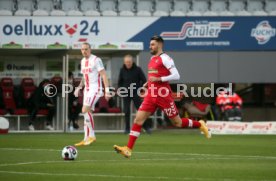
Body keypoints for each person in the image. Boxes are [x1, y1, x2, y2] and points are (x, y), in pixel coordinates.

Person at [114, 35, 211, 158]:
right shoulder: (152, 59)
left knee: (178, 123)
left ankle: (200, 124)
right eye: (150, 44)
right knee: (138, 120)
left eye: (153, 44)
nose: (150, 46)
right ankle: (128, 149)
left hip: (163, 96)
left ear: (160, 44)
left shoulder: (165, 58)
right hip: (151, 95)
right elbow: (152, 77)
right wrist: (146, 84)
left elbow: (176, 75)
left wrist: (160, 78)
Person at [74, 42, 110, 146]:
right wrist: (79, 87)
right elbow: (84, 77)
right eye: (82, 49)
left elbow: (103, 75)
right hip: (87, 90)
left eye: (86, 49)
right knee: (86, 113)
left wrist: (107, 90)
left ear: (90, 50)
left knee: (85, 109)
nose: (84, 51)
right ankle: (86, 138)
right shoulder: (82, 61)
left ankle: (92, 136)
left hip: (96, 88)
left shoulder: (96, 60)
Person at [118, 54, 150, 134]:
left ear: (132, 62)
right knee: (126, 111)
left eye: (129, 62)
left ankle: (146, 127)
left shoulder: (138, 69)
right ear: (124, 62)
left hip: (136, 93)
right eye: (126, 62)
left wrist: (140, 89)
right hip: (126, 93)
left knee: (140, 111)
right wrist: (122, 89)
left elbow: (144, 80)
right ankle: (127, 129)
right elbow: (120, 82)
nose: (128, 64)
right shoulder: (122, 70)